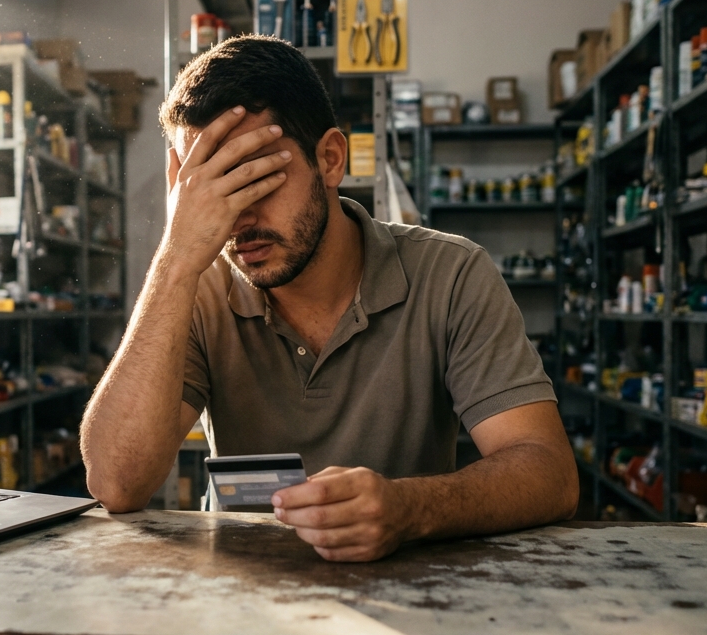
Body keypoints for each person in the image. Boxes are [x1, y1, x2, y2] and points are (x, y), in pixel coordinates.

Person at [81, 36, 578, 562]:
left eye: (259, 180)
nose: (239, 221)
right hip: (240, 599)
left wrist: (409, 508)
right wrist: (176, 258)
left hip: (412, 595)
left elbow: (548, 471)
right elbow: (116, 482)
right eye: (213, 193)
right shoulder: (196, 289)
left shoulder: (450, 274)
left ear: (330, 159)